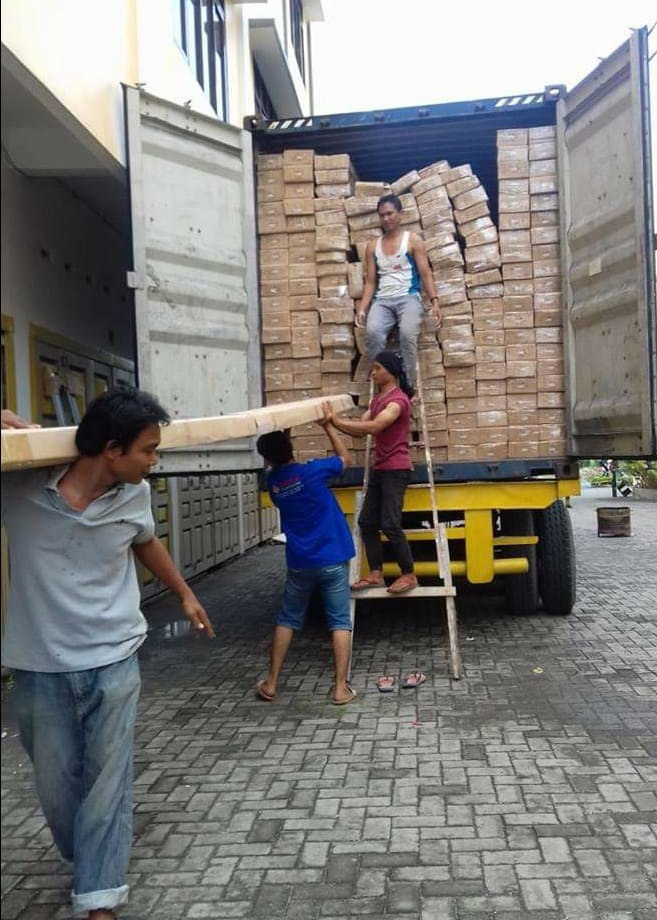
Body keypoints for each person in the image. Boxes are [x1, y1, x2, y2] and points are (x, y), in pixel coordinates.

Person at [1, 391, 215, 920]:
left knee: (107, 779)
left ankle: (99, 895)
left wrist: (185, 594)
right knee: (56, 782)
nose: (154, 460)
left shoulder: (133, 495)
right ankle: (89, 858)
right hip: (40, 664)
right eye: (148, 450)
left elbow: (145, 542)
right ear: (113, 449)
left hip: (115, 656)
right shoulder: (18, 485)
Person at [255, 414, 357, 706]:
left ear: (266, 458)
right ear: (291, 449)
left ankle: (271, 682)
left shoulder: (274, 484)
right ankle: (340, 688)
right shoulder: (313, 472)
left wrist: (285, 426)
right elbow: (345, 459)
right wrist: (327, 426)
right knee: (339, 621)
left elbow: (280, 462)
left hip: (300, 562)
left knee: (288, 618)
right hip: (332, 556)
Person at [322, 350, 417, 595]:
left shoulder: (398, 401)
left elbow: (374, 427)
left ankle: (408, 574)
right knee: (366, 522)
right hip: (381, 469)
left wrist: (336, 422)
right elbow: (360, 429)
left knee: (390, 524)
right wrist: (332, 422)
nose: (372, 373)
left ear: (391, 372)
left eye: (377, 368)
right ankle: (376, 573)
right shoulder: (377, 400)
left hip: (396, 470)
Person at [356, 193, 441, 386]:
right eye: (382, 215)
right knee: (373, 334)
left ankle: (408, 385)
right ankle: (384, 383)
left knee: (407, 335)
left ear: (400, 214)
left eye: (390, 213)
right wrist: (362, 308)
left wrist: (435, 301)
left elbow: (425, 273)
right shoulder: (372, 246)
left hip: (408, 297)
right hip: (383, 301)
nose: (386, 218)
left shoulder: (412, 241)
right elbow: (370, 282)